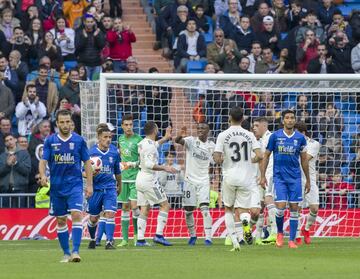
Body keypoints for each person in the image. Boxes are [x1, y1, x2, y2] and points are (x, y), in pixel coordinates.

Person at [39, 109, 93, 263]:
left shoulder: (79, 141)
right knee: (61, 220)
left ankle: (76, 251)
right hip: (56, 187)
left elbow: (87, 163)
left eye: (67, 121)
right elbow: (43, 162)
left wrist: (89, 184)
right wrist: (43, 175)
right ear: (57, 124)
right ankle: (66, 253)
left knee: (76, 214)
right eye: (61, 122)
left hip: (75, 185)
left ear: (71, 123)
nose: (65, 125)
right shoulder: (50, 141)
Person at [213, 107, 263, 251]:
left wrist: (222, 159)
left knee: (229, 208)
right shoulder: (249, 135)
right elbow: (260, 156)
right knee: (243, 209)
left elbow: (217, 158)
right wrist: (249, 161)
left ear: (230, 118)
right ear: (242, 119)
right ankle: (246, 222)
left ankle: (235, 242)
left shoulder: (223, 135)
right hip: (246, 177)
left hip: (230, 176)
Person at [260, 110, 310, 249]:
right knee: (280, 208)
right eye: (287, 118)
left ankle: (292, 240)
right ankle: (280, 233)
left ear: (294, 120)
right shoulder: (275, 136)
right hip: (279, 177)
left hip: (295, 179)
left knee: (295, 208)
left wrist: (308, 180)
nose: (289, 120)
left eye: (292, 118)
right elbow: (266, 156)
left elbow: (304, 160)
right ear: (283, 120)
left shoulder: (300, 138)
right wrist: (263, 176)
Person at [135, 122, 176, 246]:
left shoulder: (143, 143)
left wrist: (165, 138)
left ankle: (140, 240)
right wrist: (165, 168)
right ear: (155, 131)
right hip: (149, 180)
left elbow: (155, 144)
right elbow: (149, 164)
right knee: (165, 205)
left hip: (140, 178)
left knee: (145, 208)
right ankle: (159, 235)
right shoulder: (150, 147)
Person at [175, 123, 215, 245]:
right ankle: (193, 235)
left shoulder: (212, 145)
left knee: (205, 209)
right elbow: (178, 141)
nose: (200, 130)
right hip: (189, 181)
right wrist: (179, 134)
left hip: (203, 181)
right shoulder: (191, 141)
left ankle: (208, 238)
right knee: (188, 210)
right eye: (198, 128)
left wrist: (211, 177)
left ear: (208, 131)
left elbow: (213, 163)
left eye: (203, 128)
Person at [87, 124, 121, 250]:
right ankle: (92, 238)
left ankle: (109, 242)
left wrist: (120, 185)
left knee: (110, 213)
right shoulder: (91, 152)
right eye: (105, 137)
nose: (108, 139)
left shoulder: (114, 152)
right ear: (99, 138)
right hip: (95, 190)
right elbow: (82, 172)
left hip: (110, 188)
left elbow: (117, 171)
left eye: (110, 137)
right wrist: (90, 173)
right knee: (94, 218)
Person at [117, 114, 142, 247]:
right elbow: (120, 156)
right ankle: (125, 239)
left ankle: (137, 236)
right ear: (122, 126)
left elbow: (142, 160)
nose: (128, 127)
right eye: (126, 125)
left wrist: (132, 164)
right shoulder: (120, 139)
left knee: (134, 207)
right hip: (123, 178)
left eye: (130, 125)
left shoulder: (138, 139)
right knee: (125, 207)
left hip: (135, 178)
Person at [252, 117, 277, 245]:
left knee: (268, 199)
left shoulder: (270, 137)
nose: (254, 128)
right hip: (263, 175)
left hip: (271, 174)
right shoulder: (261, 140)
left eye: (256, 125)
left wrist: (263, 176)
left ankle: (274, 232)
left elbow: (262, 158)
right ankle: (258, 236)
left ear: (264, 126)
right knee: (260, 206)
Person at [295, 122, 320, 245]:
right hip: (296, 180)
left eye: (296, 132)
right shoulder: (294, 142)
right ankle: (298, 234)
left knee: (314, 208)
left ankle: (306, 229)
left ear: (303, 133)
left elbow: (305, 158)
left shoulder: (314, 144)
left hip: (310, 180)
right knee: (297, 208)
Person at [0, 133, 31, 207]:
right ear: (5, 143)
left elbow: (27, 171)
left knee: (20, 214)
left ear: (15, 140)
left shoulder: (24, 154)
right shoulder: (2, 156)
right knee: (5, 215)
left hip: (20, 189)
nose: (9, 142)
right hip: (5, 190)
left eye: (11, 139)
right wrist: (7, 165)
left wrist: (16, 163)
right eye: (7, 140)